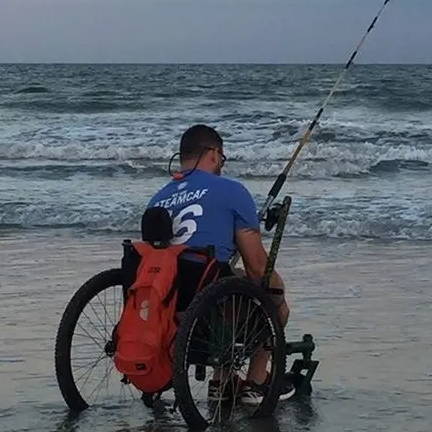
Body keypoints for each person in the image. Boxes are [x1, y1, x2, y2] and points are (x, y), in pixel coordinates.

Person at [147, 124, 294, 404]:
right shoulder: (231, 191)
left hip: (168, 302)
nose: (221, 166)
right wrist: (279, 290)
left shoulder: (158, 199)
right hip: (212, 300)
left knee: (223, 278)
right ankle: (256, 380)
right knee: (271, 295)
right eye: (222, 159)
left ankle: (223, 380)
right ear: (213, 154)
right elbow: (256, 265)